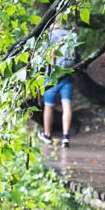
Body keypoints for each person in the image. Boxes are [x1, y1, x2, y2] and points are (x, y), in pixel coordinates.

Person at [37, 19, 78, 147]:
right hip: (67, 74)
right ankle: (65, 136)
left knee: (48, 106)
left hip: (51, 76)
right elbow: (76, 56)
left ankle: (47, 135)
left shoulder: (49, 36)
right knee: (67, 105)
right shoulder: (71, 35)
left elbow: (42, 58)